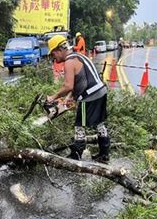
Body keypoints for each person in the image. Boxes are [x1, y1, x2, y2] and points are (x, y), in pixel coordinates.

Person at [46, 34, 110, 162]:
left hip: (90, 97)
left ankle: (76, 156)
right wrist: (70, 99)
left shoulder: (69, 62)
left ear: (59, 49)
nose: (54, 58)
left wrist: (53, 97)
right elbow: (80, 82)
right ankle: (104, 154)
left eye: (53, 54)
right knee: (100, 124)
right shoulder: (79, 56)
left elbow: (68, 85)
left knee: (79, 125)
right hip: (101, 92)